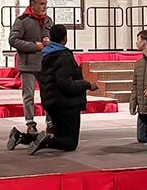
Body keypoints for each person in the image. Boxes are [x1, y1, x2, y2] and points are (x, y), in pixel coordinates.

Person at [28, 24, 98, 155]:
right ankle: (46, 141)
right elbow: (66, 84)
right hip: (67, 104)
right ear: (65, 38)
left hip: (52, 103)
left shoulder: (45, 54)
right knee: (70, 143)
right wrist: (87, 84)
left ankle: (23, 137)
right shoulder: (62, 56)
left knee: (61, 138)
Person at [8, 0, 53, 137]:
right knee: (29, 96)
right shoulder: (22, 21)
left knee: (48, 94)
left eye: (45, 3)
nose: (44, 7)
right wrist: (35, 46)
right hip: (28, 65)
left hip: (45, 63)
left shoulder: (48, 20)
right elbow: (13, 40)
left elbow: (52, 37)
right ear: (32, 4)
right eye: (41, 4)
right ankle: (30, 124)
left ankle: (50, 123)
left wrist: (49, 41)